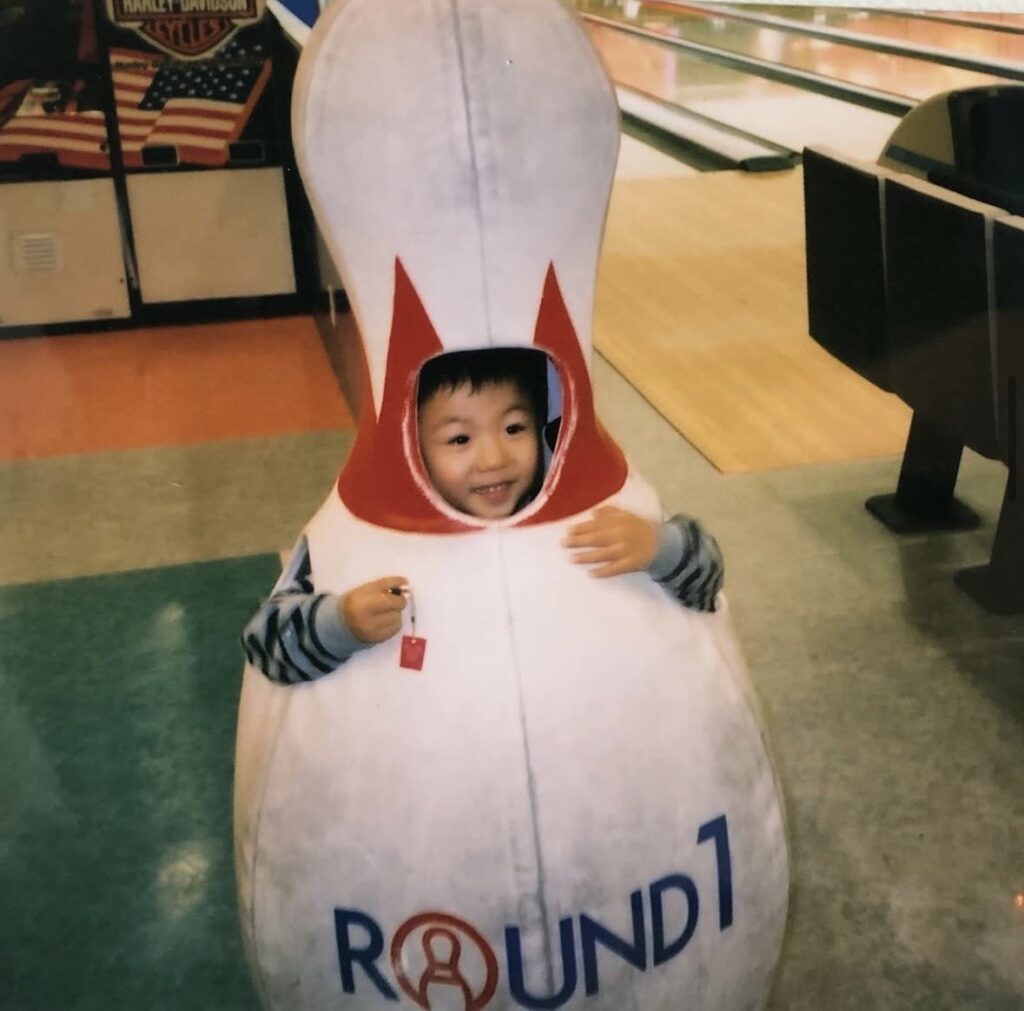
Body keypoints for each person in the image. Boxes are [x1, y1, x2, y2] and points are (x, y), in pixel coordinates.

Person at [242, 348, 724, 685]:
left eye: (514, 427)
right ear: (409, 446)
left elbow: (708, 583)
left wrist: (660, 547)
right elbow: (266, 644)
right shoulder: (368, 537)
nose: (493, 458)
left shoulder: (595, 514)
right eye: (458, 439)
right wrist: (340, 623)